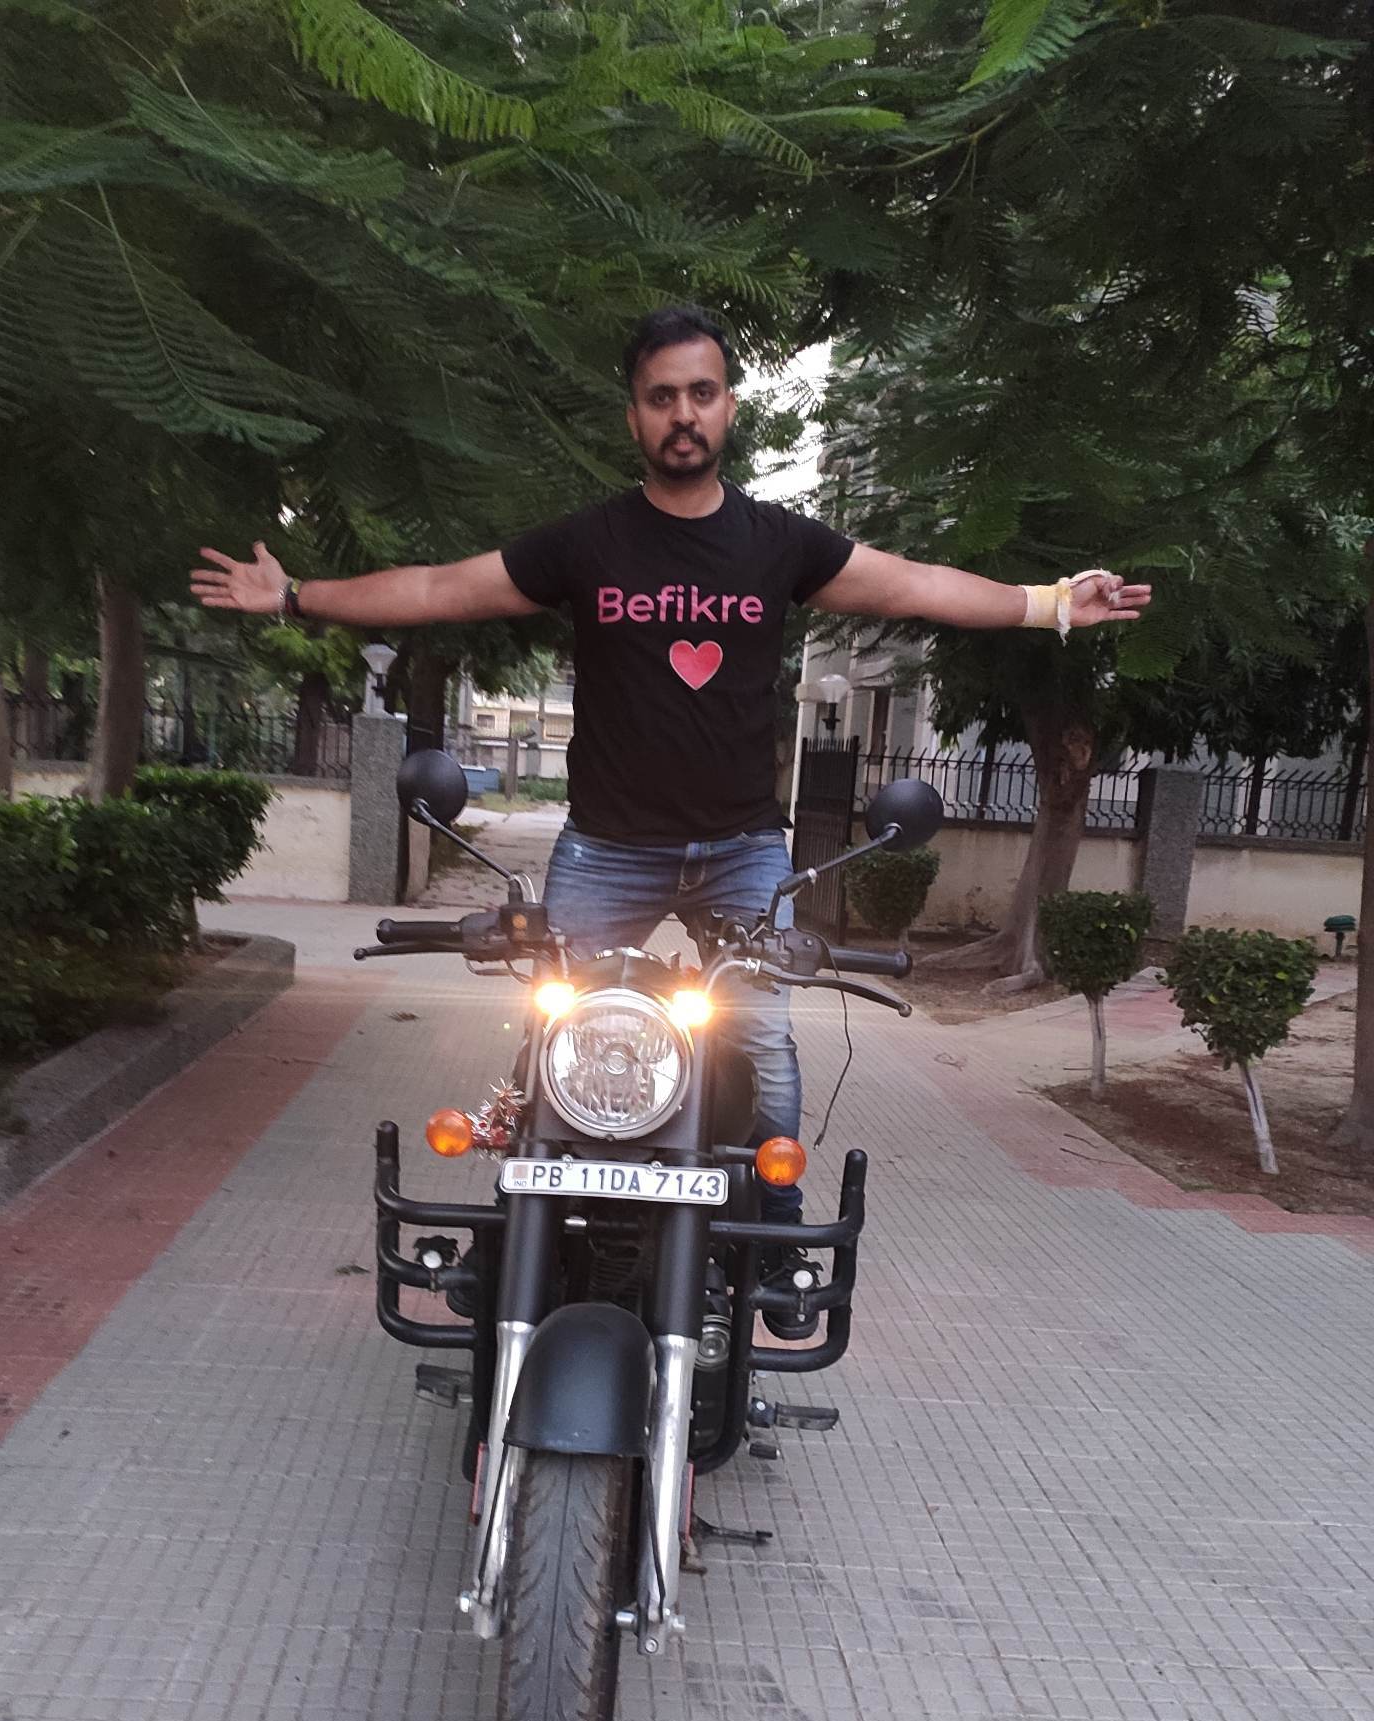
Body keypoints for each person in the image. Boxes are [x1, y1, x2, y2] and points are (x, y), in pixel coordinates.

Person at [192, 305, 1150, 1334]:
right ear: (635, 417)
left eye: (701, 393)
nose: (683, 414)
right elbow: (438, 586)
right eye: (661, 398)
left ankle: (773, 1238)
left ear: (728, 406)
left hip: (743, 850)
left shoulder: (779, 542)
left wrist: (1051, 603)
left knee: (766, 1044)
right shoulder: (588, 543)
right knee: (552, 1033)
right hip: (609, 849)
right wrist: (295, 595)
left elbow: (913, 584)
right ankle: (521, 1228)